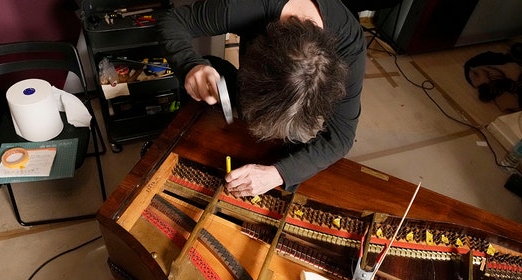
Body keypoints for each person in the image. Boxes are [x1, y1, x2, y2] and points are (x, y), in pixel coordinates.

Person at [157, 0, 366, 197]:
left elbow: (341, 137)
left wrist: (278, 173)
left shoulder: (349, 45)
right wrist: (190, 64)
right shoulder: (246, 7)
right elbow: (172, 21)